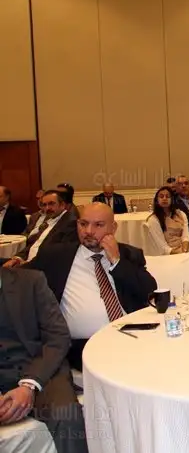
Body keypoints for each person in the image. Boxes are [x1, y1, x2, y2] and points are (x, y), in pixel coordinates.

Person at [24, 203, 157, 370]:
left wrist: (117, 262)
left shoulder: (128, 254)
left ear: (113, 228)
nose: (88, 231)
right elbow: (19, 278)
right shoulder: (56, 256)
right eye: (83, 224)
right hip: (83, 347)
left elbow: (149, 291)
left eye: (98, 225)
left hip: (132, 337)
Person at [0, 266, 88, 453]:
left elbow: (58, 336)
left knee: (66, 415)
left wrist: (28, 385)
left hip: (41, 369)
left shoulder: (31, 281)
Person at [3, 190, 78, 267]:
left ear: (62, 205)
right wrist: (17, 259)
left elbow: (58, 255)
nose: (47, 208)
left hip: (41, 267)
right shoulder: (49, 220)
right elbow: (34, 244)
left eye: (51, 203)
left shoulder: (70, 223)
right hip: (28, 262)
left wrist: (26, 265)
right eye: (44, 205)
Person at [145, 187, 189, 255]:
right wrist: (179, 253)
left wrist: (185, 251)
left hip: (183, 247)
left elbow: (186, 236)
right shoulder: (153, 219)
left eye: (168, 196)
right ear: (157, 200)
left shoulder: (181, 214)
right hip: (168, 252)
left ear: (172, 199)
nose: (164, 198)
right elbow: (163, 247)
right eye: (161, 196)